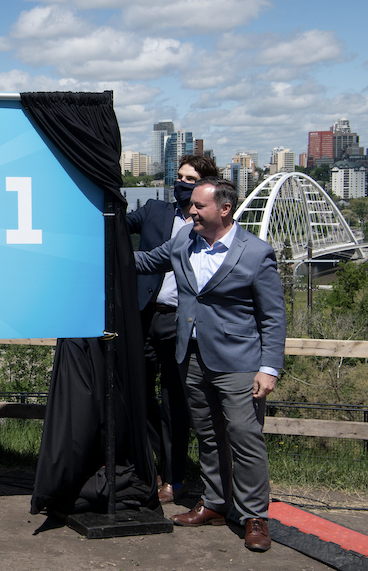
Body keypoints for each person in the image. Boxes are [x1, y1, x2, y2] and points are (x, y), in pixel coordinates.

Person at [134, 177, 286, 552]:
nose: (190, 211)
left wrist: (269, 367)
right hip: (193, 357)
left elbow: (273, 316)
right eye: (192, 206)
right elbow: (146, 261)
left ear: (224, 209)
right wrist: (99, 248)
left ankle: (254, 516)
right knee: (208, 436)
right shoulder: (184, 239)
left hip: (240, 363)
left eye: (199, 206)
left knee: (245, 439)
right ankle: (216, 504)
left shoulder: (256, 252)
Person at [127, 155, 219, 503]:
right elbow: (116, 223)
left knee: (173, 403)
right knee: (137, 393)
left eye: (189, 178)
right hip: (143, 317)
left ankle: (174, 477)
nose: (180, 183)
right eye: (178, 177)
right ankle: (144, 466)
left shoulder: (208, 226)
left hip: (180, 323)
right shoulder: (153, 210)